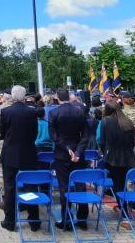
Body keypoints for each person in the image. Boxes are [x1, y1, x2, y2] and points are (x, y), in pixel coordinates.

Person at [0, 85, 40, 232]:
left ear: (12, 95)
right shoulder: (32, 112)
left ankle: (10, 222)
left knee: (10, 189)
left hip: (10, 154)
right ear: (23, 97)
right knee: (30, 186)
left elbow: (2, 133)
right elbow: (35, 133)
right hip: (28, 154)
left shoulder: (5, 112)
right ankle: (34, 221)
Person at [49, 88, 90, 231]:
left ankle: (66, 220)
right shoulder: (79, 111)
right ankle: (83, 219)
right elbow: (85, 135)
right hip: (77, 152)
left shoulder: (54, 112)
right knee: (80, 184)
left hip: (62, 153)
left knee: (63, 187)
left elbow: (54, 136)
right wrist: (77, 152)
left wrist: (68, 149)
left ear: (57, 98)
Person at [99, 100, 135, 204]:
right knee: (123, 182)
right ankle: (124, 205)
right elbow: (132, 142)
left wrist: (104, 153)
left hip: (112, 157)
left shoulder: (105, 121)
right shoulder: (128, 121)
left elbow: (102, 142)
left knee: (118, 184)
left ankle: (123, 207)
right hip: (127, 155)